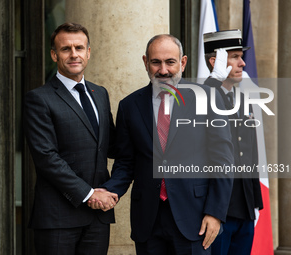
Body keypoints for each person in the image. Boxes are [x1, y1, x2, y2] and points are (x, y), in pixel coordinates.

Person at [89, 34, 234, 255]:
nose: (163, 70)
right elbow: (126, 162)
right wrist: (109, 191)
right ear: (146, 62)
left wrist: (215, 213)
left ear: (183, 62)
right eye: (156, 62)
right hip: (148, 219)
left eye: (170, 62)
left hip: (195, 219)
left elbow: (223, 160)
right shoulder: (129, 106)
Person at [24, 22, 118, 255]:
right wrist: (89, 194)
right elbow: (46, 158)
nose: (74, 54)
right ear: (54, 55)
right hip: (58, 218)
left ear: (88, 52)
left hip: (98, 219)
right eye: (66, 49)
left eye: (79, 47)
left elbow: (112, 146)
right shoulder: (39, 99)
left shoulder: (100, 93)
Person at [203, 29, 264, 255]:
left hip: (245, 208)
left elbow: (250, 154)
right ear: (215, 61)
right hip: (218, 211)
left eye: (242, 56)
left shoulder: (241, 100)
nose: (243, 63)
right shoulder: (202, 98)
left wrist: (255, 202)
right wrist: (214, 81)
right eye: (235, 57)